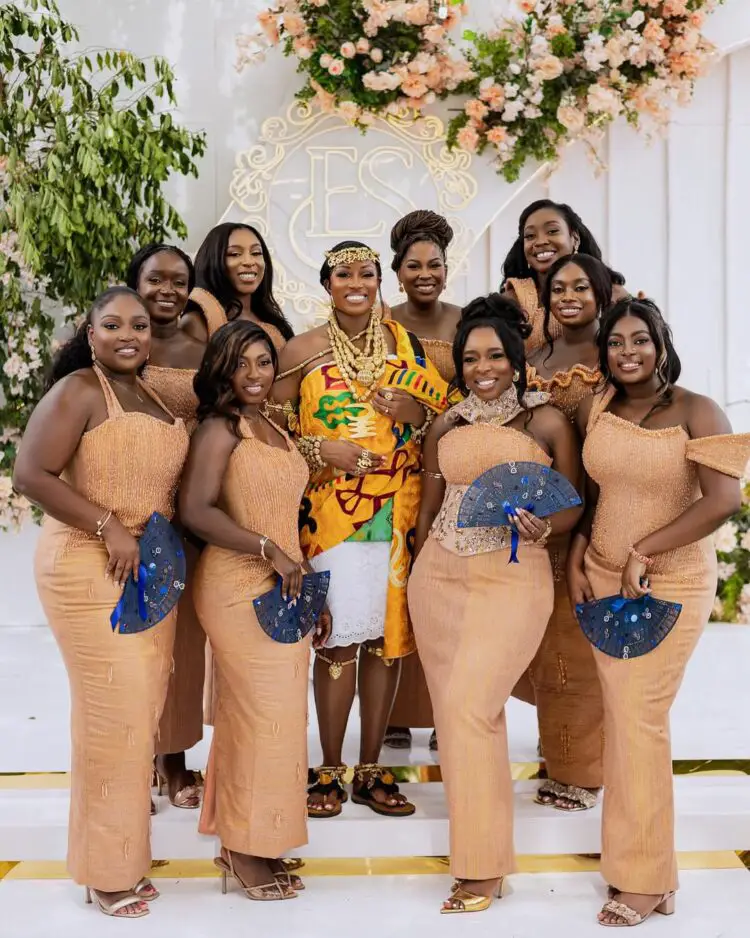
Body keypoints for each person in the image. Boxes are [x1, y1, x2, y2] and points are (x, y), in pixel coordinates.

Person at [568, 298, 749, 927]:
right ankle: (651, 873)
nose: (627, 352)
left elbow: (723, 501)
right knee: (624, 721)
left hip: (666, 583)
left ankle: (643, 880)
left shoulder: (698, 410)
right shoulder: (601, 406)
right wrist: (577, 557)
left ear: (662, 341)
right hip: (602, 577)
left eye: (639, 340)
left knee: (639, 720)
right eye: (616, 343)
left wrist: (644, 549)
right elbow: (596, 494)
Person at [13, 287, 189, 919]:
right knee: (110, 717)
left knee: (138, 716)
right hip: (89, 565)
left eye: (138, 325)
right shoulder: (81, 391)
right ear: (89, 334)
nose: (128, 335)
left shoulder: (152, 395)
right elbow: (29, 474)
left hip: (147, 570)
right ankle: (104, 873)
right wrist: (107, 526)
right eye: (112, 324)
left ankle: (122, 857)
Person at [408, 294, 583, 914]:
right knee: (461, 720)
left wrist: (549, 525)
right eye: (472, 356)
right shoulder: (445, 426)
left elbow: (573, 504)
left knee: (470, 708)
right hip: (436, 578)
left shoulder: (545, 423)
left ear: (516, 360)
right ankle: (484, 856)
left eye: (497, 355)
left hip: (512, 577)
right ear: (459, 363)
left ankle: (480, 869)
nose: (485, 366)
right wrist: (412, 575)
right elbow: (428, 511)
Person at [272, 240, 447, 819]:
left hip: (395, 511)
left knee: (384, 640)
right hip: (330, 514)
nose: (356, 282)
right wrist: (322, 447)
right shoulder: (302, 349)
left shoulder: (404, 345)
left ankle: (371, 766)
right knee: (338, 639)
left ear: (380, 281)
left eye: (367, 273)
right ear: (326, 283)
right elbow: (268, 428)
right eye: (343, 273)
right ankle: (328, 766)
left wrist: (414, 415)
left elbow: (441, 415)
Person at [179, 321, 329, 900]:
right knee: (257, 713)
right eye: (241, 364)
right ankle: (244, 850)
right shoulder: (221, 429)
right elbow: (196, 510)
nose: (255, 375)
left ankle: (254, 840)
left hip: (285, 585)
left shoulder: (278, 429)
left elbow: (285, 522)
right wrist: (268, 552)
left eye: (264, 362)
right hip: (236, 583)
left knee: (281, 717)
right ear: (221, 368)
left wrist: (310, 587)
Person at [524, 253, 611, 812]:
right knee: (553, 649)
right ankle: (560, 754)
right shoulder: (532, 359)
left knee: (588, 651)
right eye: (559, 288)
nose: (569, 295)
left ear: (602, 292)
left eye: (582, 286)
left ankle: (584, 772)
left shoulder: (618, 354)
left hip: (606, 517)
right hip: (545, 526)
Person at [127, 243, 205, 811]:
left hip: (192, 510)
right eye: (156, 279)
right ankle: (132, 757)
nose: (167, 291)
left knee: (181, 641)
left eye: (179, 282)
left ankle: (173, 758)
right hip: (132, 506)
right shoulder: (120, 343)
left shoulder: (203, 349)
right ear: (136, 282)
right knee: (134, 639)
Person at [385, 209, 462, 751]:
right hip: (390, 472)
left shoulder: (466, 323)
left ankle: (447, 706)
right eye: (413, 265)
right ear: (397, 271)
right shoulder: (379, 324)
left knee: (448, 587)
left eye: (433, 263)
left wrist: (428, 414)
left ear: (446, 267)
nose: (424, 273)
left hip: (454, 466)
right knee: (397, 582)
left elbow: (485, 387)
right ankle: (392, 709)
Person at [501, 199, 627, 354]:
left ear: (575, 238)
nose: (540, 241)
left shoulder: (611, 293)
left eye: (552, 231)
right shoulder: (514, 299)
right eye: (530, 236)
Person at [182, 222, 293, 352]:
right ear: (213, 260)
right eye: (234, 254)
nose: (249, 262)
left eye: (256, 253)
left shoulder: (273, 320)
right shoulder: (198, 321)